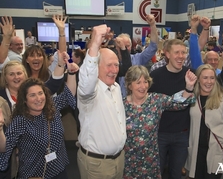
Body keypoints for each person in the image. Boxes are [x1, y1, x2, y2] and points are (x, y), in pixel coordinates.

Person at [0, 60, 79, 178]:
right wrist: (0, 128)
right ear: (24, 100)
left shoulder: (53, 107)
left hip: (60, 171)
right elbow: (5, 148)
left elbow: (69, 95)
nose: (38, 98)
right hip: (35, 175)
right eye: (32, 95)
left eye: (40, 93)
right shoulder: (20, 121)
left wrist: (72, 74)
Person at [123, 65, 197, 178]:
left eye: (145, 82)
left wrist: (188, 87)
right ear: (129, 85)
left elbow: (178, 103)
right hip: (128, 162)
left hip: (150, 162)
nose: (143, 86)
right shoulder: (121, 105)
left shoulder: (156, 100)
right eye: (138, 82)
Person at [77, 24, 126, 179]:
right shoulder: (90, 92)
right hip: (97, 165)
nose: (114, 69)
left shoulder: (116, 87)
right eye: (109, 65)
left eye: (116, 65)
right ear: (97, 67)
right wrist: (95, 44)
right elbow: (86, 80)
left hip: (118, 159)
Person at [186, 64, 223, 179]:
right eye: (205, 78)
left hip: (216, 150)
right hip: (196, 151)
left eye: (212, 78)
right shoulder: (192, 98)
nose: (209, 81)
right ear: (198, 79)